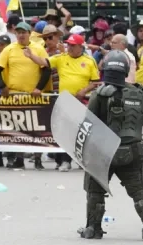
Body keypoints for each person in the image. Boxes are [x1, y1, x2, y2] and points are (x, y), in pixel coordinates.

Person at [78, 51, 143, 241]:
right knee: (138, 189)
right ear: (125, 71)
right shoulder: (142, 95)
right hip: (131, 150)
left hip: (102, 152)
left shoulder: (99, 94)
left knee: (95, 189)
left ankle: (93, 228)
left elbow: (88, 124)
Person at [0, 22, 51, 170]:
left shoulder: (38, 49)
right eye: (18, 32)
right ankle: (18, 159)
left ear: (29, 33)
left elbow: (46, 69)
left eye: (23, 32)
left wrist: (39, 88)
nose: (21, 35)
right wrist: (3, 86)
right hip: (14, 95)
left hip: (34, 96)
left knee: (36, 128)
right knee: (16, 128)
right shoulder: (9, 49)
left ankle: (38, 158)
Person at [39, 33, 101, 172]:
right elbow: (44, 62)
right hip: (65, 101)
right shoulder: (61, 58)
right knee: (66, 132)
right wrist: (31, 56)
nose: (70, 47)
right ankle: (65, 161)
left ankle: (82, 160)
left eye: (73, 45)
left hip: (82, 101)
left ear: (80, 46)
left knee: (82, 132)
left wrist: (84, 90)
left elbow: (95, 82)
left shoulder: (89, 61)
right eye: (69, 45)